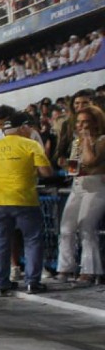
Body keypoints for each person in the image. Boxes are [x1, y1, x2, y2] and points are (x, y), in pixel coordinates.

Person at [0, 111, 54, 295]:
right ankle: (32, 282)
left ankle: (2, 284)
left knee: (2, 242)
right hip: (24, 200)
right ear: (23, 127)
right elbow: (46, 172)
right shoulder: (31, 144)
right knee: (33, 240)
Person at [55, 104, 105, 284]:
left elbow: (92, 160)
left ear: (95, 122)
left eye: (86, 122)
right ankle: (65, 267)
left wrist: (85, 140)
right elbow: (73, 166)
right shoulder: (76, 143)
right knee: (66, 228)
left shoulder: (101, 140)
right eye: (79, 122)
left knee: (87, 228)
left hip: (96, 186)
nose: (81, 126)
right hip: (78, 186)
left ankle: (90, 270)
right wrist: (64, 163)